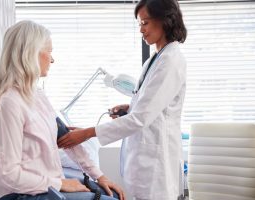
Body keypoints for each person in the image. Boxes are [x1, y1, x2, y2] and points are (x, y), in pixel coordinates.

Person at [58, 0, 187, 199]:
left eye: (145, 23)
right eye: (139, 25)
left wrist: (86, 134)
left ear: (164, 20)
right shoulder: (156, 58)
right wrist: (130, 107)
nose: (141, 30)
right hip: (143, 157)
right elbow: (153, 106)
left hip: (156, 163)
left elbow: (141, 118)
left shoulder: (170, 60)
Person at [0, 20, 125, 200]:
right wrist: (61, 184)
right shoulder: (8, 102)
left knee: (112, 194)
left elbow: (66, 139)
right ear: (31, 53)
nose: (52, 59)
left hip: (45, 186)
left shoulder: (37, 95)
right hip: (17, 194)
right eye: (49, 52)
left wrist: (100, 176)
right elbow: (8, 174)